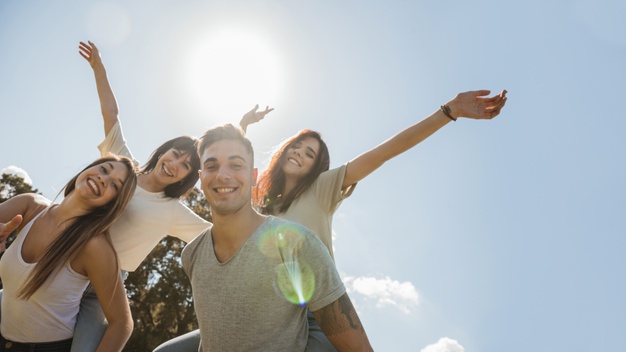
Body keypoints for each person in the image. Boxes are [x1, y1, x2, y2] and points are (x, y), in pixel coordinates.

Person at [76, 41, 273, 351]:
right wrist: (99, 67)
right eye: (176, 155)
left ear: (187, 178)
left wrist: (243, 128)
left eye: (185, 166)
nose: (175, 165)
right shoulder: (124, 170)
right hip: (67, 258)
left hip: (99, 292)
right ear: (164, 150)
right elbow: (112, 114)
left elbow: (222, 232)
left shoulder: (172, 211)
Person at [157, 124, 373, 351]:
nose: (222, 175)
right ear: (200, 179)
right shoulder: (192, 254)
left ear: (252, 177)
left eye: (235, 165)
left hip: (310, 310)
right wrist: (244, 124)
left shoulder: (301, 239)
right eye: (212, 166)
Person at [0, 156, 138, 352]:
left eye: (115, 185)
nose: (103, 179)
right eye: (104, 169)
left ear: (111, 203)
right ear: (88, 169)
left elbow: (122, 323)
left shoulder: (95, 247)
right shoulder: (29, 205)